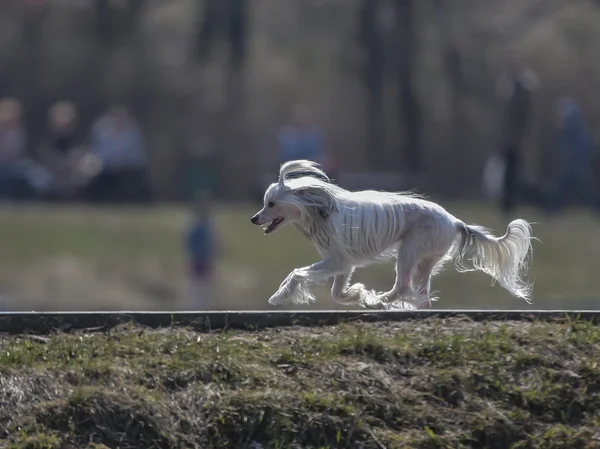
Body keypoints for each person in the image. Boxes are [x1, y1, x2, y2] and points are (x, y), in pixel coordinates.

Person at [495, 54, 540, 215]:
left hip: (516, 140)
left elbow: (521, 119)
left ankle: (513, 203)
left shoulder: (522, 89)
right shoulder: (511, 87)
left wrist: (520, 140)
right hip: (511, 139)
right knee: (509, 173)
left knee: (514, 174)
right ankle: (508, 204)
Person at [85, 105, 152, 204]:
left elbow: (137, 155)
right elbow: (97, 152)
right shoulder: (101, 130)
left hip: (126, 169)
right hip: (105, 169)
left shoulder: (132, 132)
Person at [545, 97, 600, 213]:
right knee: (570, 188)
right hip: (574, 166)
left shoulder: (572, 125)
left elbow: (580, 147)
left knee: (584, 190)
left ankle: (551, 211)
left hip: (576, 166)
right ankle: (551, 211)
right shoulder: (572, 126)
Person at [184, 193, 217, 310]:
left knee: (203, 288)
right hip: (198, 260)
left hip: (204, 260)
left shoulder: (206, 226)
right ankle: (196, 309)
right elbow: (191, 244)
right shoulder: (198, 227)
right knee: (198, 288)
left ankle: (201, 308)